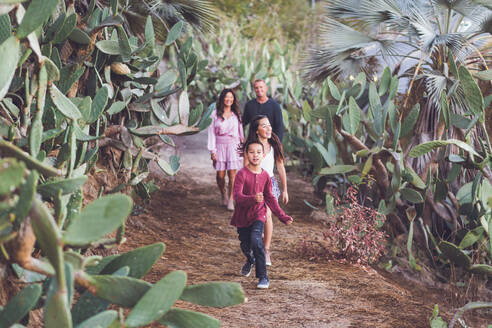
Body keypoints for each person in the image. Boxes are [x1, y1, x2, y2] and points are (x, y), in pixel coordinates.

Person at [231, 140, 293, 289]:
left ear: (263, 155)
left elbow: (271, 198)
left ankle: (263, 277)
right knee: (245, 244)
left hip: (258, 214)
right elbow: (237, 197)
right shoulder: (241, 174)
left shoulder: (265, 176)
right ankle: (250, 259)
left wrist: (282, 216)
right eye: (251, 152)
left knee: (256, 241)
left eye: (258, 152)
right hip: (242, 217)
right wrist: (252, 198)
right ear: (246, 154)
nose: (255, 155)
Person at [244, 115, 288, 266]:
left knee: (267, 214)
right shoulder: (251, 147)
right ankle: (257, 244)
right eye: (264, 126)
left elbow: (280, 167)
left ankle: (266, 250)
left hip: (270, 185)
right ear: (257, 130)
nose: (268, 128)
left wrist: (285, 189)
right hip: (253, 185)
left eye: (269, 125)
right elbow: (246, 168)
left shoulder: (274, 145)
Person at [207, 88, 244, 211]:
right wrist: (213, 151)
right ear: (223, 99)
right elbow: (211, 133)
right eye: (227, 97)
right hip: (219, 146)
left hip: (233, 146)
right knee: (220, 175)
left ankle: (231, 199)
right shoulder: (215, 114)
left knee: (233, 175)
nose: (229, 99)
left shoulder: (236, 115)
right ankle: (223, 193)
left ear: (234, 100)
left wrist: (242, 149)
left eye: (231, 97)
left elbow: (240, 133)